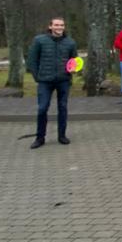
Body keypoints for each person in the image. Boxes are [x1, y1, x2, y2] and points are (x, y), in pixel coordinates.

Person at [26, 16, 78, 149]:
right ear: (50, 26)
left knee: (63, 108)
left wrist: (73, 69)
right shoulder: (39, 40)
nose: (59, 27)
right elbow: (32, 60)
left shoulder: (70, 42)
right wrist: (37, 77)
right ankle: (40, 138)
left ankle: (62, 136)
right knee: (42, 108)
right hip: (45, 81)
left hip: (63, 81)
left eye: (61, 25)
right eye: (56, 25)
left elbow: (74, 61)